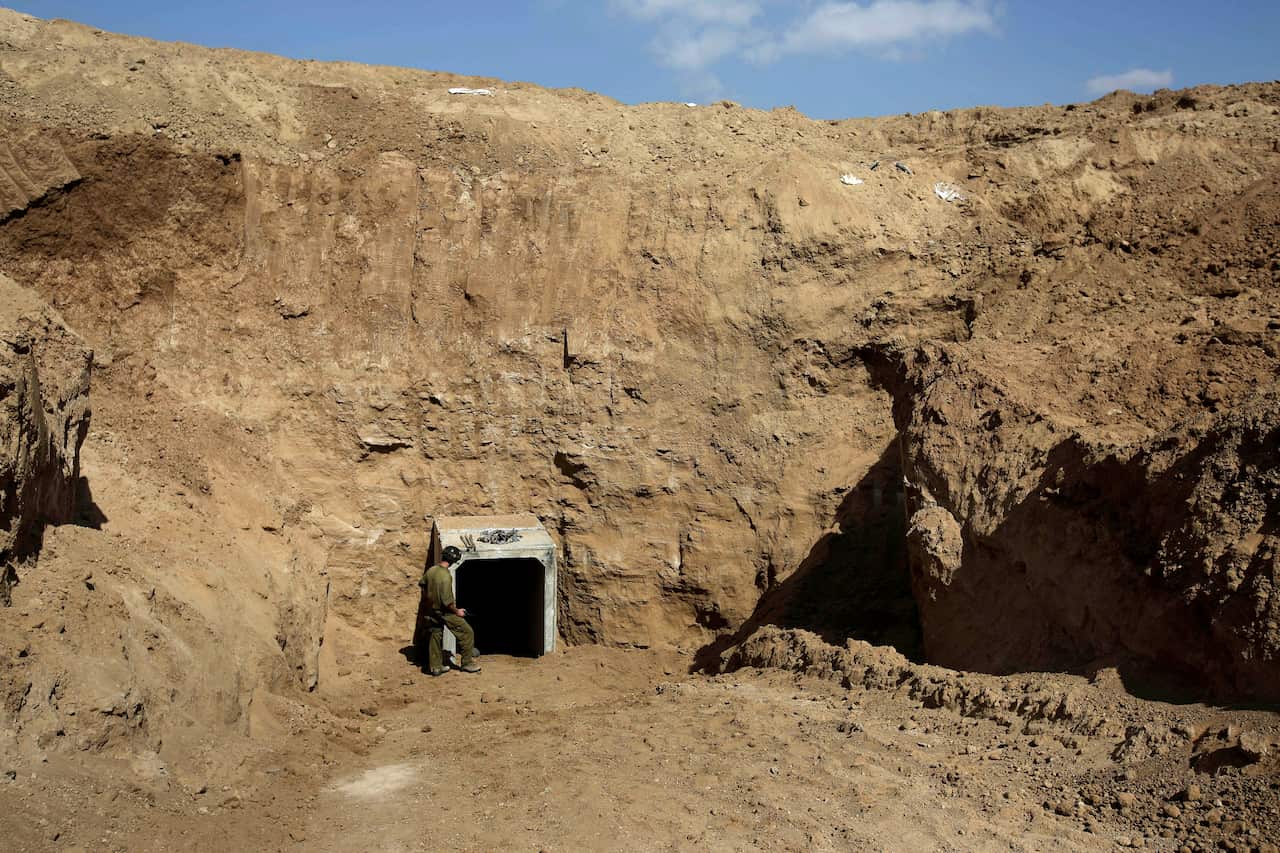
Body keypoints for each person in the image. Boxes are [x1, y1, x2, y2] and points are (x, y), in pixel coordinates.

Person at [419, 545, 480, 676]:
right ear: (454, 560)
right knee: (467, 632)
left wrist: (429, 600)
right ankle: (467, 663)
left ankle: (435, 667)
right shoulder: (446, 576)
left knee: (435, 635)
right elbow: (447, 602)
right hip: (445, 612)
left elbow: (422, 584)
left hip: (431, 610)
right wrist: (457, 611)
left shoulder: (432, 570)